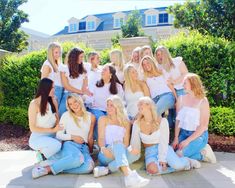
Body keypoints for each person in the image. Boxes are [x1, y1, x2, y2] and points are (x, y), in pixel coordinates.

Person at [130, 97, 201, 175]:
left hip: (163, 148)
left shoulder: (162, 121)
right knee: (152, 171)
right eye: (138, 105)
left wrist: (162, 159)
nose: (138, 106)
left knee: (178, 165)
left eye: (141, 104)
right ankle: (167, 166)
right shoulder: (137, 124)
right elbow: (135, 144)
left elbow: (164, 142)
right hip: (150, 151)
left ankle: (188, 162)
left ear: (149, 105)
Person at [31, 93, 95, 179]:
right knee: (77, 159)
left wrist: (90, 152)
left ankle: (57, 165)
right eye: (70, 104)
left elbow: (90, 137)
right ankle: (46, 170)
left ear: (80, 101)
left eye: (75, 101)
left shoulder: (91, 117)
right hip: (70, 144)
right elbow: (59, 135)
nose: (73, 105)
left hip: (84, 148)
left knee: (89, 167)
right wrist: (73, 137)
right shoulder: (66, 115)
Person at [93, 95, 149, 188]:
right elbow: (101, 138)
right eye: (108, 105)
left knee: (136, 154)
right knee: (118, 144)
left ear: (118, 106)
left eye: (112, 105)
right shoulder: (103, 119)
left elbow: (126, 143)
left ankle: (106, 170)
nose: (109, 107)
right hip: (106, 152)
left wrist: (121, 151)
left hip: (120, 151)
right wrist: (102, 148)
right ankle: (129, 176)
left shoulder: (126, 122)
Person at [172, 73, 216, 163]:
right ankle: (199, 153)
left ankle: (203, 154)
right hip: (184, 133)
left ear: (193, 84)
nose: (182, 85)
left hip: (199, 136)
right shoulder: (180, 99)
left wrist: (187, 141)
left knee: (178, 155)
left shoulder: (203, 101)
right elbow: (178, 120)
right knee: (170, 153)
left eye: (185, 83)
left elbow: (203, 126)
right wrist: (176, 138)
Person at [28, 78, 62, 163]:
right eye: (52, 88)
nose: (54, 90)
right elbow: (32, 128)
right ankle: (42, 156)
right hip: (38, 137)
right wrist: (52, 130)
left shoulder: (53, 100)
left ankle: (47, 157)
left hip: (53, 135)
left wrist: (58, 130)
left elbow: (57, 117)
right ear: (45, 89)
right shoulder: (34, 104)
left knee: (64, 144)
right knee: (57, 145)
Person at [87, 65, 124, 140]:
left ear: (110, 74)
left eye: (105, 70)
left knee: (111, 119)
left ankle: (111, 141)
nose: (102, 71)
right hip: (97, 109)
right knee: (100, 118)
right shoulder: (96, 85)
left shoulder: (118, 87)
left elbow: (120, 101)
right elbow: (89, 98)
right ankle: (101, 142)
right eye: (102, 70)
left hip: (111, 110)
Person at [59, 47, 92, 116]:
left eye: (83, 57)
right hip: (68, 94)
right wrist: (81, 92)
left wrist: (83, 92)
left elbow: (85, 82)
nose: (82, 59)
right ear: (74, 57)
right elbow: (66, 86)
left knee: (83, 112)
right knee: (61, 111)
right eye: (81, 57)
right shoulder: (64, 69)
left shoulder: (85, 67)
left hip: (80, 95)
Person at [41, 42, 64, 108]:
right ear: (51, 53)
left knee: (58, 112)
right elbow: (43, 81)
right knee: (53, 112)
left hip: (61, 90)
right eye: (56, 52)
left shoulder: (58, 63)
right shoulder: (47, 64)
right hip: (53, 90)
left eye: (60, 52)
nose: (58, 54)